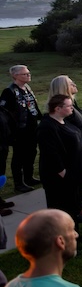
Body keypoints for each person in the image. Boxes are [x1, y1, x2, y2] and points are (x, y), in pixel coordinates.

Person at [37, 94, 82, 229]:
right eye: (69, 106)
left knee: (73, 206)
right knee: (62, 209)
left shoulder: (64, 121)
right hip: (60, 178)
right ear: (58, 108)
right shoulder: (47, 127)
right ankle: (64, 239)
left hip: (73, 173)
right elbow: (50, 153)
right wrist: (63, 173)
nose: (72, 108)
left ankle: (75, 235)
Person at [49, 76, 82, 205]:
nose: (74, 84)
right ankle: (75, 208)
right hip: (78, 150)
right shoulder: (62, 109)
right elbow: (65, 132)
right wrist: (79, 146)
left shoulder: (72, 104)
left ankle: (77, 206)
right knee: (80, 181)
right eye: (70, 83)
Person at [0, 65, 42, 193]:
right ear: (15, 76)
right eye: (24, 74)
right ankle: (19, 183)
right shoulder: (9, 91)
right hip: (19, 131)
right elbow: (4, 112)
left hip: (32, 128)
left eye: (28, 73)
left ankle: (29, 178)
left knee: (31, 152)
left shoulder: (27, 88)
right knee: (19, 156)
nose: (28, 75)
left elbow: (33, 106)